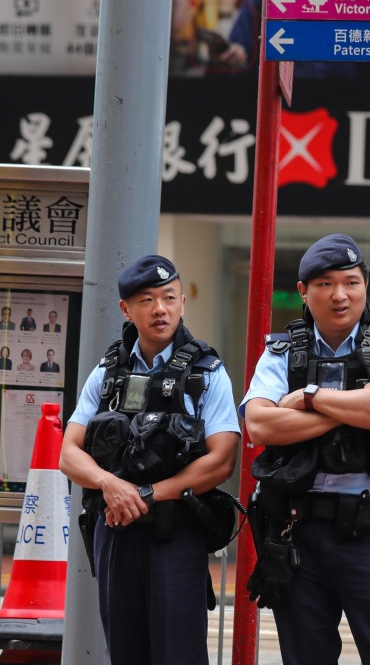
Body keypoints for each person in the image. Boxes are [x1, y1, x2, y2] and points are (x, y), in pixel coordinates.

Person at [241, 233, 370, 665]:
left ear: (366, 285)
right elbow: (261, 423)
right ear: (304, 291)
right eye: (325, 284)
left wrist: (307, 396)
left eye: (351, 282)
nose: (339, 295)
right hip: (296, 528)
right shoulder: (281, 353)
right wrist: (355, 404)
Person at [59, 255, 241, 665]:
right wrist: (111, 485)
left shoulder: (206, 372)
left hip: (175, 533)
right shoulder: (106, 373)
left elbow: (222, 460)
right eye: (147, 300)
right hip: (115, 532)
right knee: (125, 651)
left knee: (178, 653)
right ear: (126, 309)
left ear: (182, 303)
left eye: (169, 298)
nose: (160, 309)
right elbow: (69, 453)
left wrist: (145, 493)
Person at [217, 0, 370, 79]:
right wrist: (234, 57)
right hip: (273, 115)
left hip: (345, 116)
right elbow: (236, 60)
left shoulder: (360, 2)